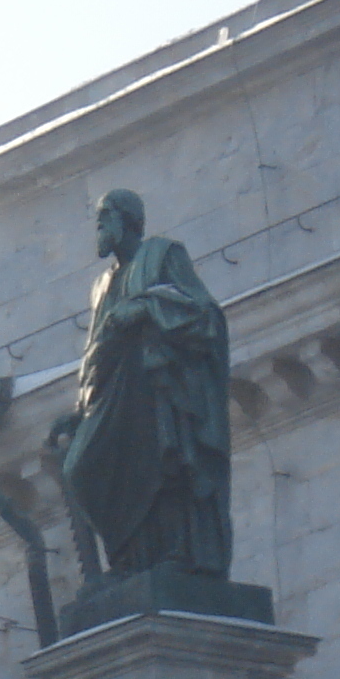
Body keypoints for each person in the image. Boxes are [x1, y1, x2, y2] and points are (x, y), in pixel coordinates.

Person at [52, 189, 235, 581]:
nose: (99, 226)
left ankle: (173, 554)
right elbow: (96, 349)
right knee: (80, 468)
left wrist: (144, 309)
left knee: (161, 467)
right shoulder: (103, 284)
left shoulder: (162, 254)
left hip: (158, 384)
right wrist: (81, 412)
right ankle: (129, 558)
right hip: (114, 391)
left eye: (105, 216)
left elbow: (203, 312)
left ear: (127, 219)